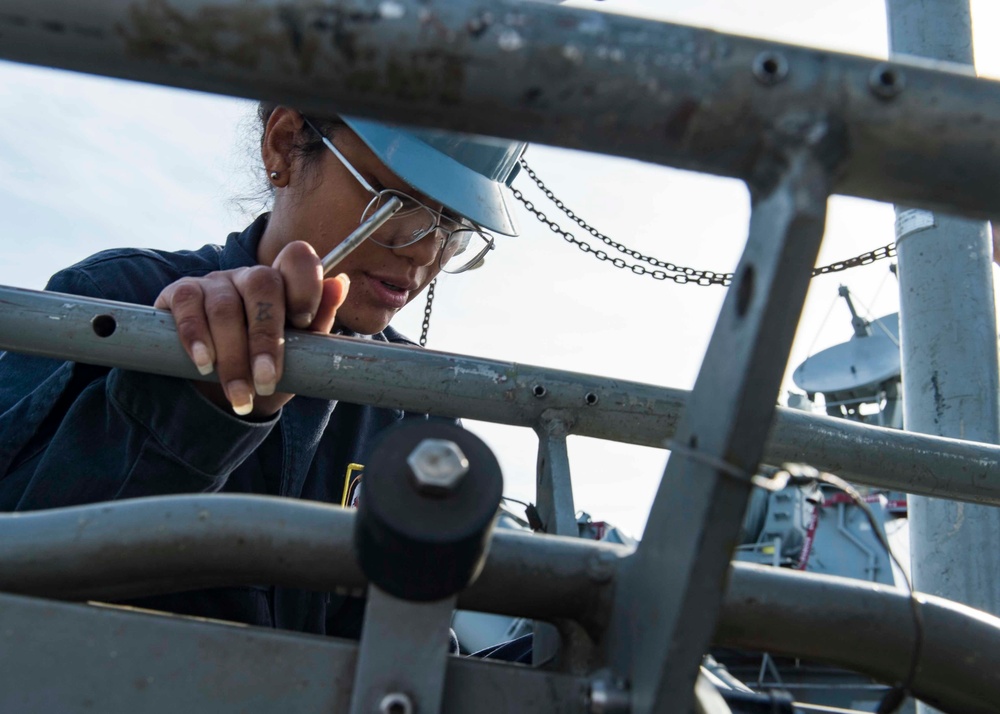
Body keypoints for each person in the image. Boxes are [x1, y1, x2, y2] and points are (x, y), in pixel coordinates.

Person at [0, 104, 526, 636]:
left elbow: (410, 654)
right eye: (396, 203)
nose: (423, 251)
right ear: (283, 145)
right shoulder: (113, 304)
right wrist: (193, 408)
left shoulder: (420, 413)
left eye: (452, 227)